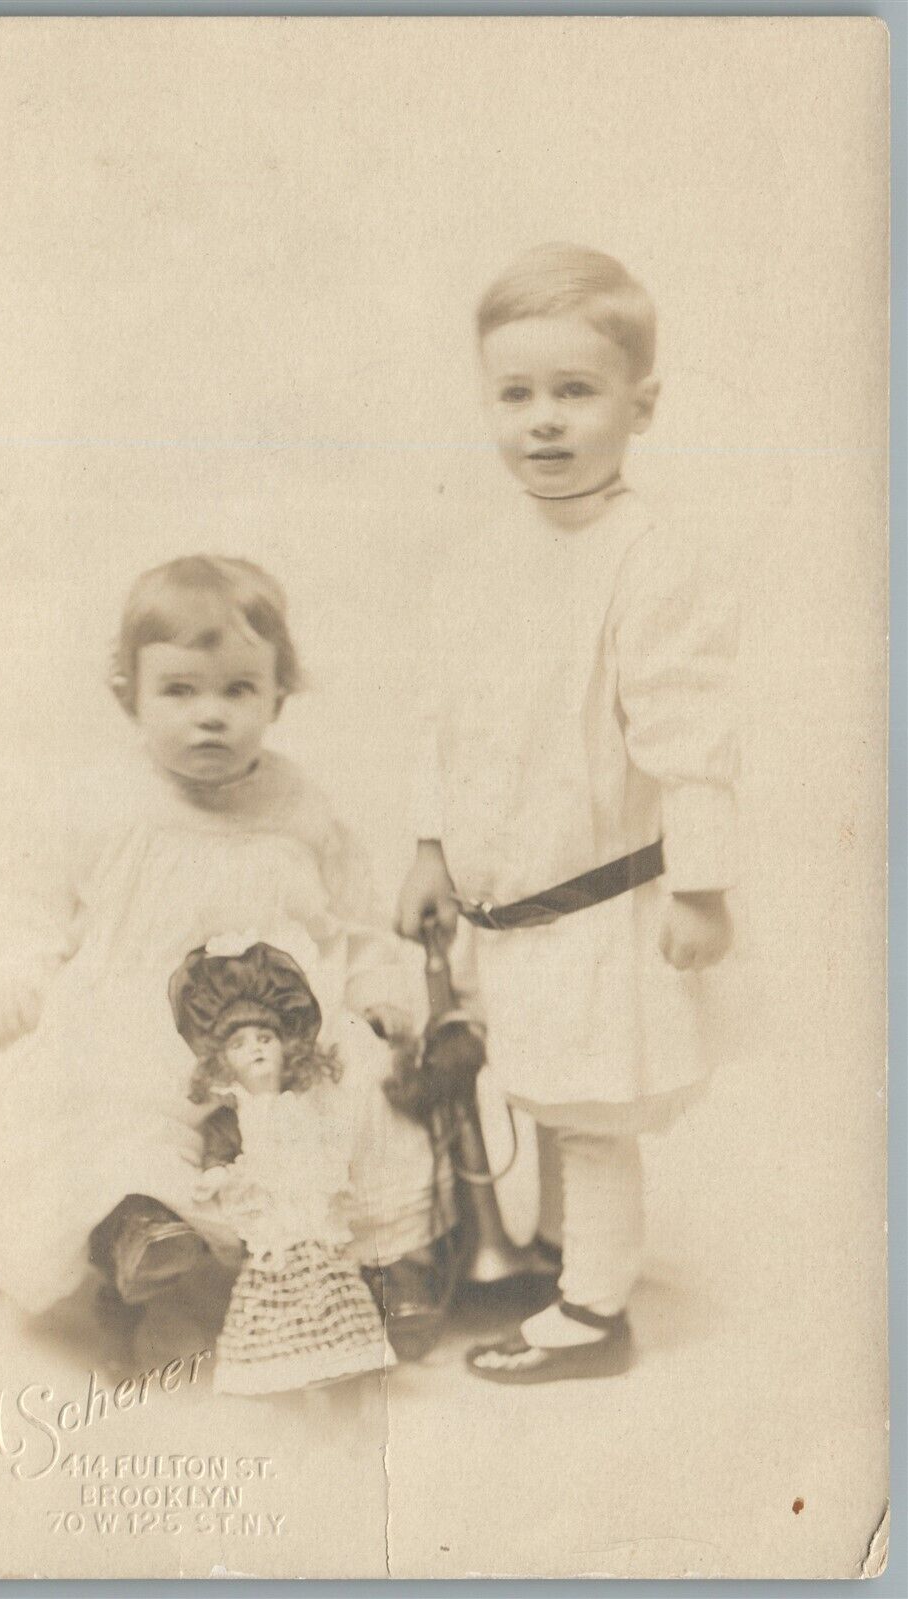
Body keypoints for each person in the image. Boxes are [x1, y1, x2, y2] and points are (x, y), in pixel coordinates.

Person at [396, 243, 739, 1382]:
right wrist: (430, 847)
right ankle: (549, 1257)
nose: (542, 421)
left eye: (575, 392)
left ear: (638, 405)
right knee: (542, 1083)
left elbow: (689, 734)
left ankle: (592, 1311)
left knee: (588, 1108)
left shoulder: (647, 559)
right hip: (510, 907)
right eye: (515, 394)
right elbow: (449, 718)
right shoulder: (480, 551)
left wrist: (700, 884)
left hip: (602, 901)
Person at [0, 554, 452, 1350]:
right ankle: (138, 1230)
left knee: (356, 1090)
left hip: (276, 1028)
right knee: (113, 1102)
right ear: (132, 695)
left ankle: (382, 1258)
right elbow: (33, 904)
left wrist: (373, 989)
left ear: (278, 695)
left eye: (238, 690)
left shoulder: (301, 806)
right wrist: (17, 973)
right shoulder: (104, 801)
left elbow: (353, 918)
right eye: (180, 691)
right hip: (136, 1016)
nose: (211, 716)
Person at [169, 937, 393, 1394]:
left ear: (287, 1048)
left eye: (265, 1038)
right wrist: (217, 1173)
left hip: (310, 1209)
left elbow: (326, 1144)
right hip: (273, 1219)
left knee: (328, 1279)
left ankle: (336, 1359)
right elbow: (222, 1149)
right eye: (240, 1043)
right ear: (222, 1062)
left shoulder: (301, 1105)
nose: (255, 1049)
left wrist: (333, 1172)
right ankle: (279, 1369)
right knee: (274, 1291)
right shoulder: (236, 1114)